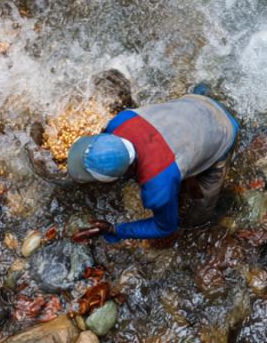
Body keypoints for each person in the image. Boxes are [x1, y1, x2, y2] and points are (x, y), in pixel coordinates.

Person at [67, 92, 239, 240]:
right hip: (197, 102)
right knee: (178, 168)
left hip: (225, 129)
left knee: (197, 215)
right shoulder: (119, 122)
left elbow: (165, 227)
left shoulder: (157, 187)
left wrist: (115, 230)